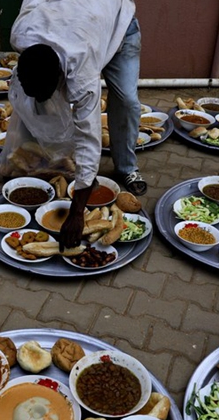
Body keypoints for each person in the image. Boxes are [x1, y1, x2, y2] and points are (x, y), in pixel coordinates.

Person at [8, 0, 144, 249]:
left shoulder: (81, 70)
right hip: (79, 19)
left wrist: (77, 212)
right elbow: (25, 94)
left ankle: (126, 167)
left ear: (62, 76)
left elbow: (89, 135)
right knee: (35, 105)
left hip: (118, 28)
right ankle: (36, 165)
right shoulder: (20, 35)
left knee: (127, 100)